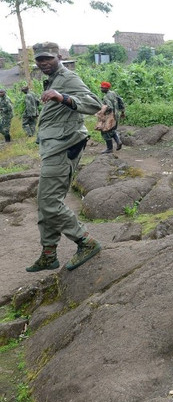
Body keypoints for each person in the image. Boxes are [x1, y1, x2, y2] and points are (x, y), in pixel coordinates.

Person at [26, 42, 103, 273]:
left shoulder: (67, 78)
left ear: (59, 56)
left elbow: (94, 104)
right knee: (45, 202)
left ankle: (85, 242)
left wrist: (62, 97)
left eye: (48, 58)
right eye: (39, 59)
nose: (43, 63)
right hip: (53, 147)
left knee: (49, 203)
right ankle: (49, 253)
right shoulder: (51, 80)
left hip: (64, 147)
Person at [99, 81, 125, 153]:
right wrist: (122, 111)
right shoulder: (114, 93)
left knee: (105, 131)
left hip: (110, 117)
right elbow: (121, 101)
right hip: (116, 115)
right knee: (112, 130)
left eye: (102, 88)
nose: (101, 89)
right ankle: (118, 141)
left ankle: (109, 148)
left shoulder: (106, 97)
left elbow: (109, 107)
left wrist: (102, 112)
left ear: (105, 88)